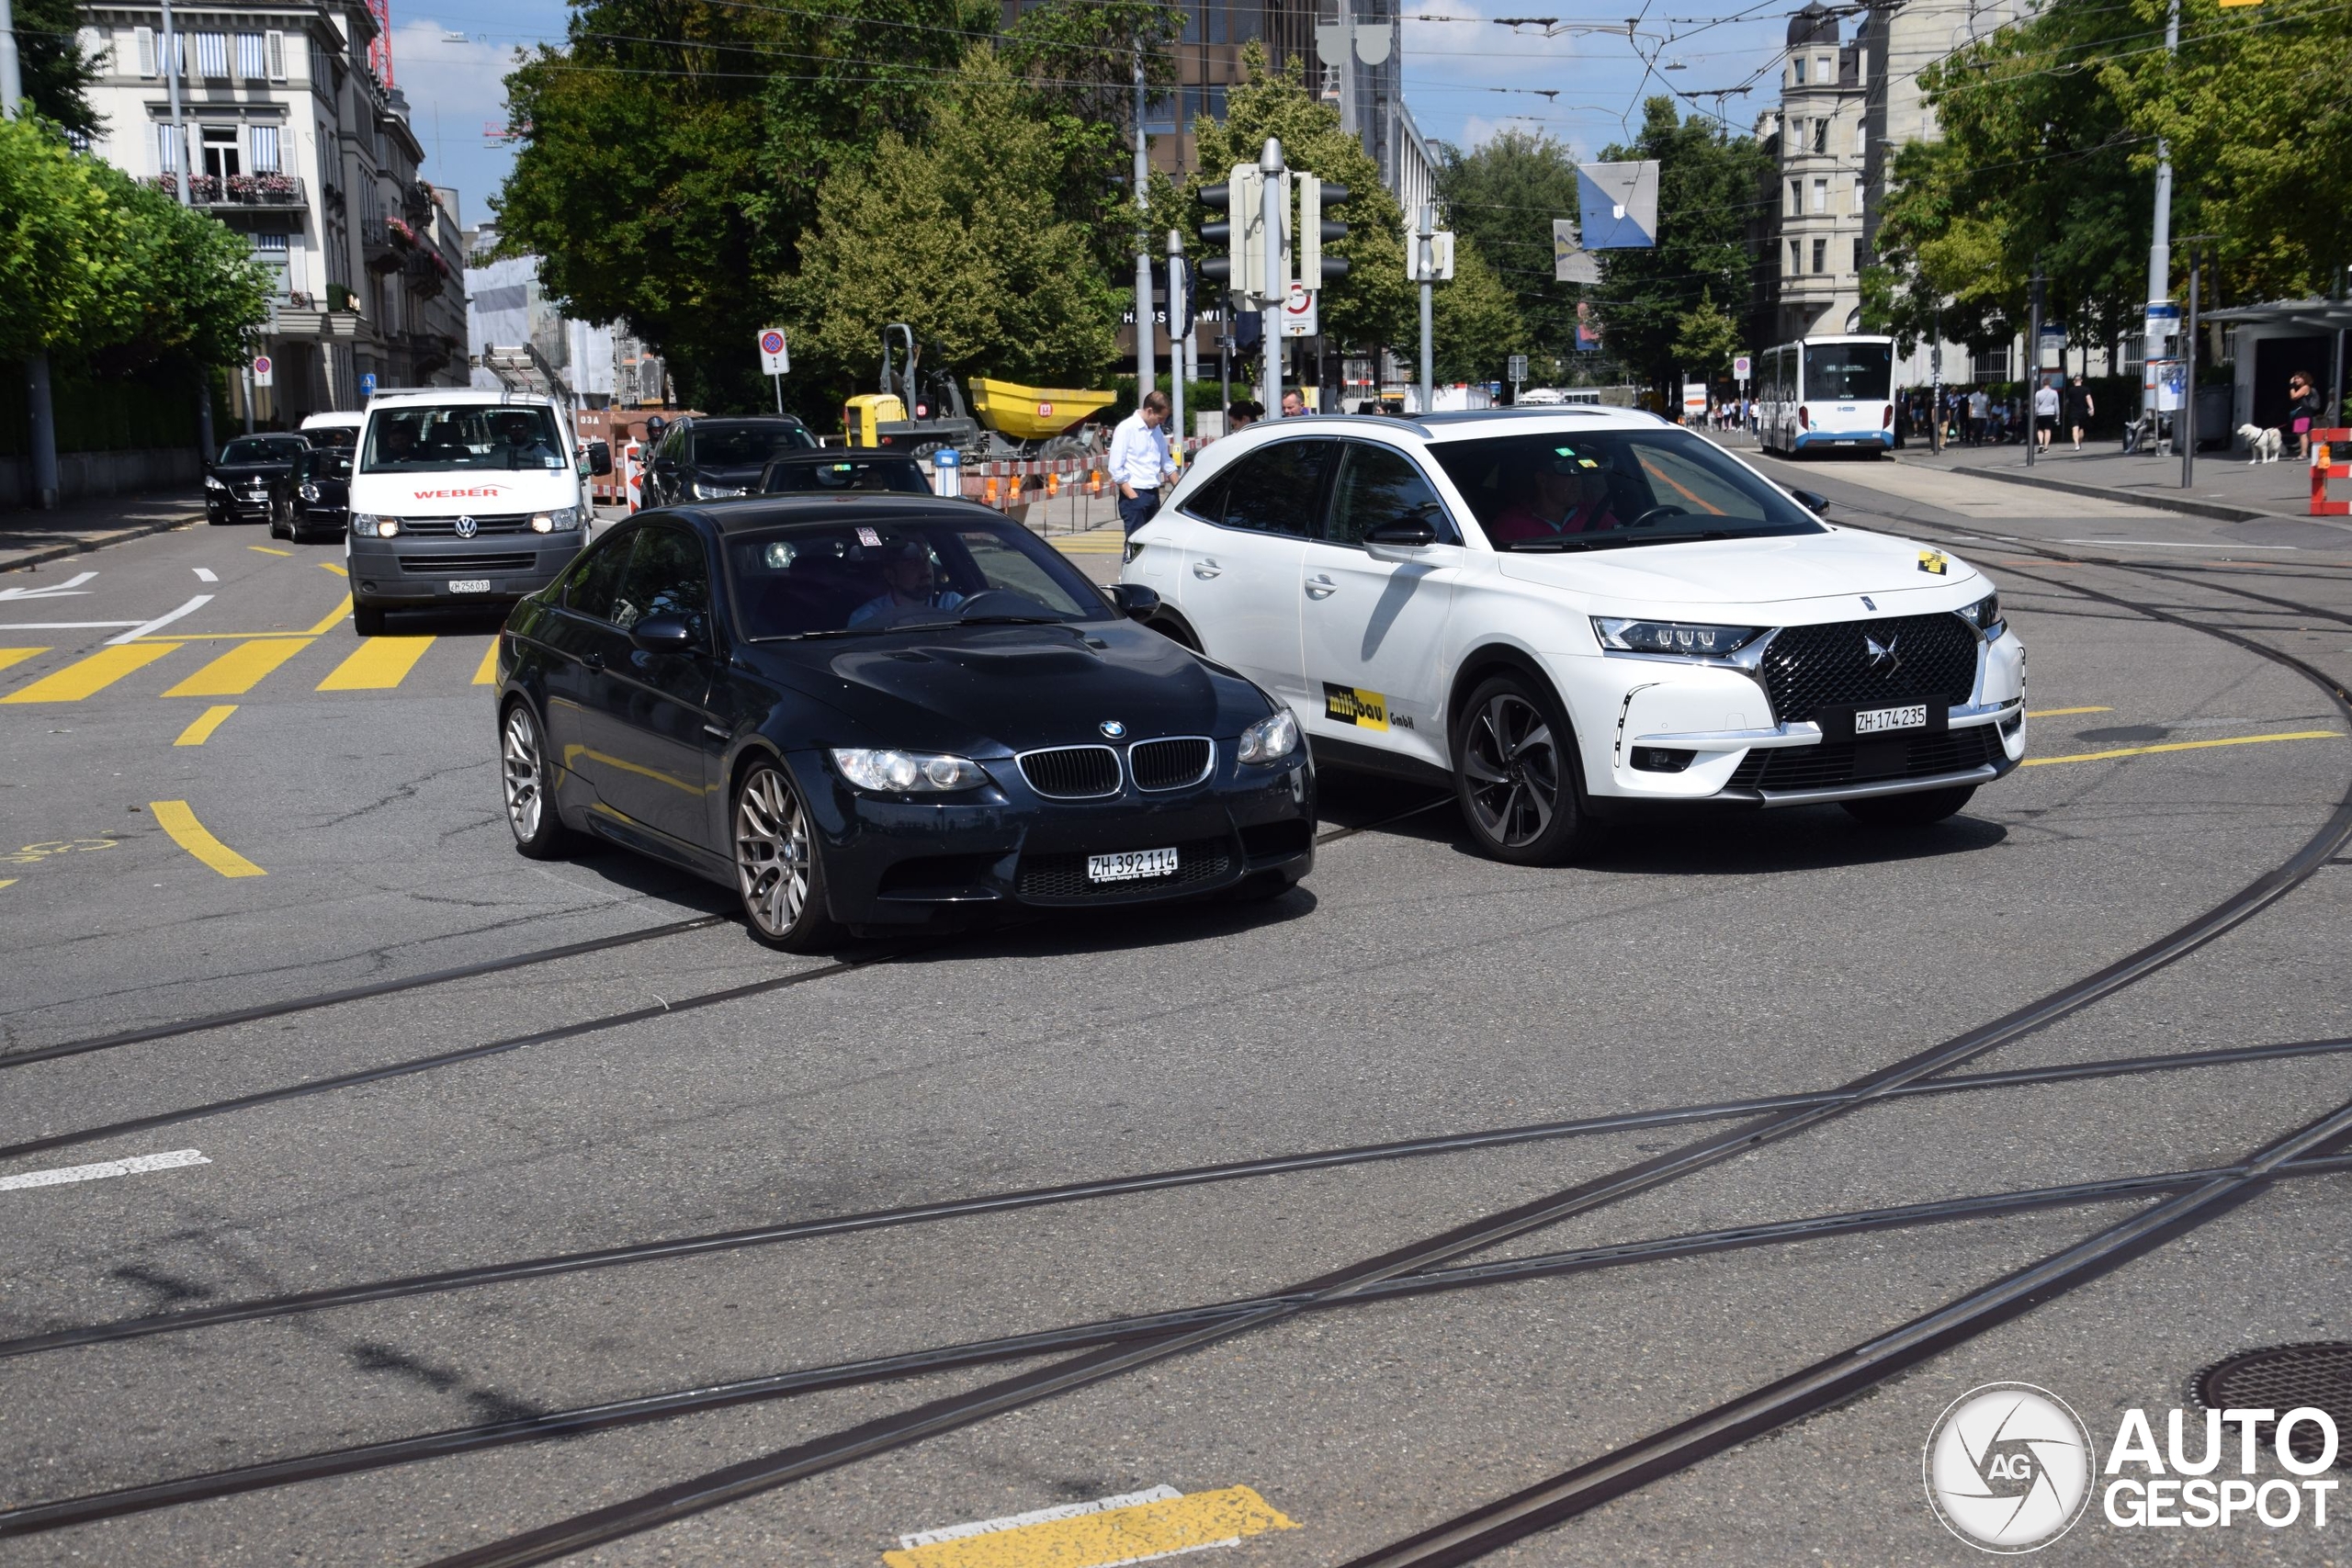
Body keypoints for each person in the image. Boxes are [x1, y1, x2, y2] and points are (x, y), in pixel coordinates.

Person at [1488, 446, 1621, 541]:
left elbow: (1621, 538)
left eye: (1578, 474)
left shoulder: (1594, 513)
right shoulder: (1511, 523)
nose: (1577, 482)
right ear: (1542, 479)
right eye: (1568, 473)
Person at [848, 539, 963, 628]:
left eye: (927, 560)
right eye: (913, 563)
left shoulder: (952, 604)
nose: (926, 569)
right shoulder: (869, 618)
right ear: (890, 576)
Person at [1109, 389, 1175, 536]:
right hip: (1135, 494)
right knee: (1135, 547)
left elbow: (1167, 462)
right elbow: (1115, 468)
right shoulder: (1126, 429)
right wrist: (1132, 496)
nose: (1162, 422)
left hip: (1153, 494)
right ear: (1150, 411)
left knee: (1152, 544)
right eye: (1160, 418)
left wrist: (1180, 489)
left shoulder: (1156, 430)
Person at [2287, 372, 2322, 460]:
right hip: (2304, 413)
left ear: (2304, 379)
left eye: (2298, 378)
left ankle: (2303, 453)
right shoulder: (2303, 388)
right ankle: (2307, 451)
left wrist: (2291, 386)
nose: (2296, 380)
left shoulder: (2305, 387)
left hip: (2303, 413)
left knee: (2302, 433)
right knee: (2303, 433)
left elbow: (2294, 396)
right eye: (2295, 379)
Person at [2064, 376, 2095, 451]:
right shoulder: (2086, 389)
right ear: (2081, 380)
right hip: (2083, 411)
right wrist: (2092, 408)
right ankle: (2079, 443)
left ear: (2074, 381)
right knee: (2081, 429)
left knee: (2075, 428)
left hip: (2073, 411)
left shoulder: (2071, 390)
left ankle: (2076, 444)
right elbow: (2088, 398)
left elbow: (2067, 401)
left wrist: (2065, 409)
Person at [2032, 376, 2060, 451]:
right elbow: (2056, 405)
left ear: (2042, 384)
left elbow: (2036, 405)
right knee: (2048, 430)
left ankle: (2041, 443)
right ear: (2050, 383)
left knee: (2040, 429)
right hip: (2050, 413)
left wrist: (2035, 414)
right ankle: (2046, 447)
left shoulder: (2038, 393)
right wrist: (2057, 416)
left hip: (2040, 413)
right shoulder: (2054, 393)